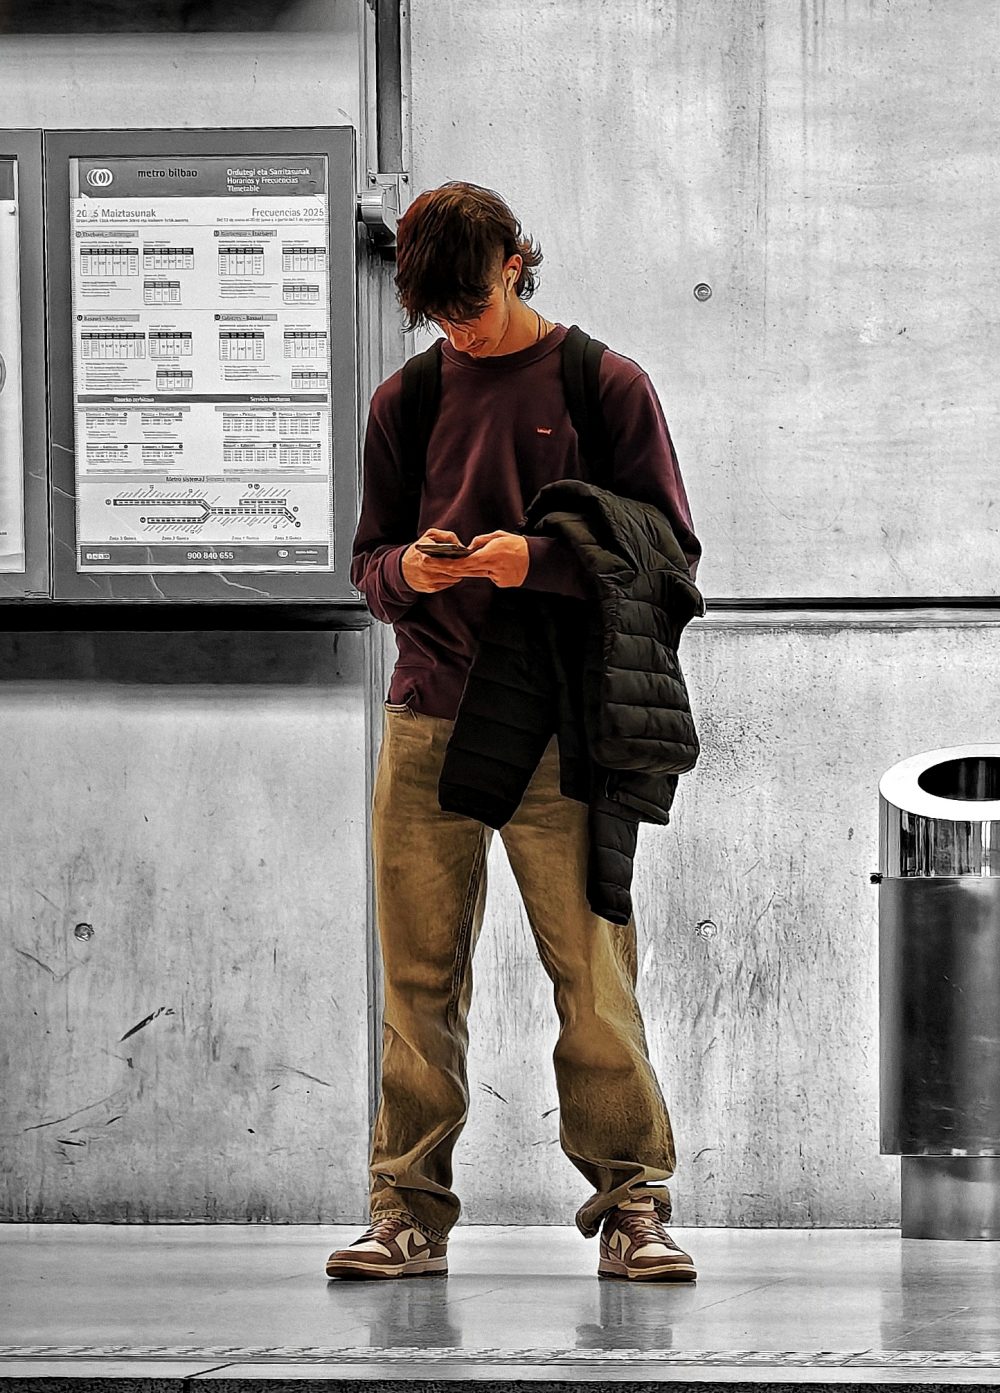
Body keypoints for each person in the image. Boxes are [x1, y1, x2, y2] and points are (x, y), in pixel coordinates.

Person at [328, 182, 700, 1283]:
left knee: (593, 977)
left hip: (558, 727)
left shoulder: (604, 383)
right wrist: (414, 568)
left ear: (514, 264)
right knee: (416, 982)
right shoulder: (407, 400)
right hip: (431, 720)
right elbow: (369, 563)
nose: (463, 327)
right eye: (439, 314)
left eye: (475, 303)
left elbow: (671, 554)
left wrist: (531, 562)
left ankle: (633, 1204)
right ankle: (404, 1211)